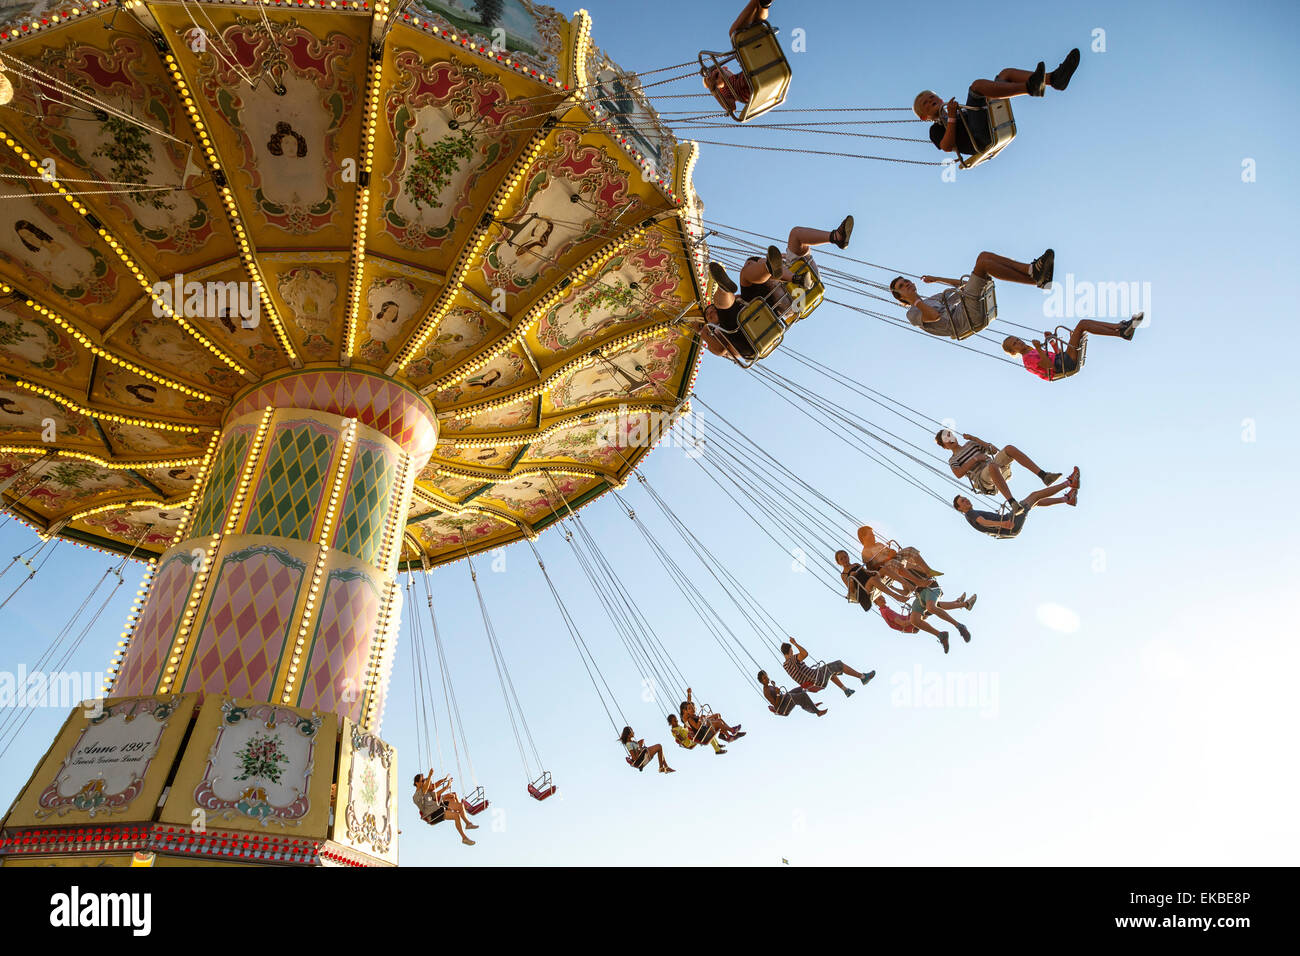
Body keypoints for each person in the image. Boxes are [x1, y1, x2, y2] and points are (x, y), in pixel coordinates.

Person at [914, 48, 1080, 157]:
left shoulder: (959, 111)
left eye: (932, 97)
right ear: (924, 117)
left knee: (1005, 74)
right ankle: (1030, 87)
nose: (931, 101)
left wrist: (955, 113)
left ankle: (1053, 79)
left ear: (941, 99)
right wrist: (951, 118)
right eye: (926, 103)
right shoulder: (935, 129)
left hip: (988, 124)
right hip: (980, 140)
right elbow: (947, 146)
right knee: (976, 87)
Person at [887, 249, 1055, 339]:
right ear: (901, 297)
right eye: (902, 286)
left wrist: (937, 279)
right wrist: (915, 301)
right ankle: (1035, 276)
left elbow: (964, 285)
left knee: (984, 256)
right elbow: (934, 316)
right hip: (964, 320)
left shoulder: (932, 299)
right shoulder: (912, 313)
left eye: (906, 281)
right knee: (983, 265)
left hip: (967, 308)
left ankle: (1034, 274)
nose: (906, 284)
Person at [936, 428, 1068, 516]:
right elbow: (958, 474)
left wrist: (975, 439)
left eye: (950, 435)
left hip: (995, 468)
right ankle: (1013, 503)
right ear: (944, 446)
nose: (951, 439)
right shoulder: (953, 459)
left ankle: (1044, 475)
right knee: (992, 466)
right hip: (983, 479)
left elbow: (994, 451)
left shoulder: (971, 444)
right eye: (946, 439)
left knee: (1009, 449)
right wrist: (976, 459)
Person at [1003, 314, 1144, 381]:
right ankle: (1120, 329)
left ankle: (1121, 331)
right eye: (1015, 344)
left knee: (1084, 326)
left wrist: (1052, 342)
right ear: (1013, 351)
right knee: (1082, 324)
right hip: (1063, 365)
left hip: (1063, 359)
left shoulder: (1032, 351)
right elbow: (1049, 366)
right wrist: (1039, 348)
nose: (1019, 342)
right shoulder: (1028, 360)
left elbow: (1056, 354)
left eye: (1017, 339)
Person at [954, 469, 1079, 538]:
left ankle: (1067, 499)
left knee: (1036, 501)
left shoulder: (970, 515)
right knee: (1034, 495)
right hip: (1009, 522)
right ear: (960, 508)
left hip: (1010, 526)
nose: (966, 500)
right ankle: (1069, 483)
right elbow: (983, 522)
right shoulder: (970, 514)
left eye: (965, 498)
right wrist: (1002, 523)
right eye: (963, 501)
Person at [702, 0, 775, 113]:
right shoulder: (726, 91)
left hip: (759, 71)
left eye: (716, 75)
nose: (718, 80)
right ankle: (758, 2)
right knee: (734, 33)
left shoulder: (735, 78)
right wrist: (714, 91)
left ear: (725, 68)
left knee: (756, 26)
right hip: (756, 81)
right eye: (716, 83)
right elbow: (731, 107)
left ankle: (764, 4)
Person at [872, 593, 974, 654]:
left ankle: (957, 603)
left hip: (912, 624)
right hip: (911, 623)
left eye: (882, 597)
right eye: (879, 599)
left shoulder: (885, 610)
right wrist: (913, 621)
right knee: (933, 606)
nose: (883, 599)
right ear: (876, 603)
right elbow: (902, 624)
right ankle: (962, 604)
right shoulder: (885, 611)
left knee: (933, 606)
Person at [780, 638, 874, 697]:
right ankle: (863, 677)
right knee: (839, 664)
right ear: (790, 650)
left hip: (811, 683)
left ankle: (846, 690)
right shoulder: (793, 659)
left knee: (830, 672)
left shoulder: (785, 666)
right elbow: (805, 654)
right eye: (792, 650)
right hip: (817, 678)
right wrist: (795, 643)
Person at [412, 771, 480, 845]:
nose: (423, 782)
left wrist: (446, 786)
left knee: (460, 806)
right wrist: (430, 775)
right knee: (456, 816)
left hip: (438, 808)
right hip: (432, 814)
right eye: (422, 781)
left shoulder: (427, 792)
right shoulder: (416, 796)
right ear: (416, 783)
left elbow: (437, 793)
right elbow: (426, 789)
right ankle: (464, 838)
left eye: (424, 780)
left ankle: (468, 823)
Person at [680, 687, 745, 743]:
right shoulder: (688, 718)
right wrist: (701, 719)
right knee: (717, 723)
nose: (692, 708)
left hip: (703, 727)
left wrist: (689, 693)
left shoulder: (694, 715)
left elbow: (689, 704)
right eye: (689, 708)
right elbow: (697, 726)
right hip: (702, 734)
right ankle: (731, 730)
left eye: (693, 707)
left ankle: (726, 735)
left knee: (718, 717)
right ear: (686, 711)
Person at [757, 670, 827, 717]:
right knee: (802, 696)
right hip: (782, 707)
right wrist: (778, 694)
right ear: (761, 681)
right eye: (764, 678)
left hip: (784, 699)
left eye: (767, 677)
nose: (767, 679)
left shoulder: (769, 686)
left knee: (800, 689)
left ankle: (811, 705)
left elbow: (777, 693)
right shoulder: (766, 692)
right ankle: (817, 712)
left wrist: (774, 686)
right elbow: (776, 706)